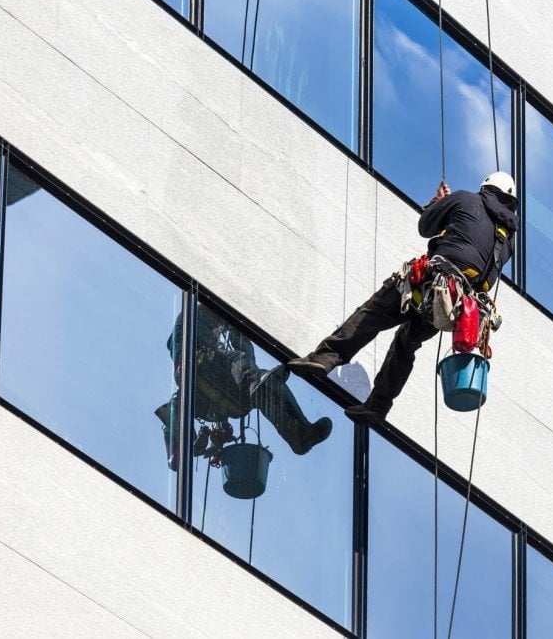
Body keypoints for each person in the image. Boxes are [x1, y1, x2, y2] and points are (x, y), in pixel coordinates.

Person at [288, 171, 519, 423]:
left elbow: (425, 227)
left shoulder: (465, 199)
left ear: (485, 188)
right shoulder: (507, 240)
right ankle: (377, 406)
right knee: (406, 344)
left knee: (374, 313)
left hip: (430, 282)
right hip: (452, 305)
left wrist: (439, 203)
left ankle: (325, 358)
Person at [156, 306, 333, 471]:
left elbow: (241, 344)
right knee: (243, 364)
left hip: (227, 399)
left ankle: (300, 434)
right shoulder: (195, 321)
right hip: (202, 373)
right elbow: (239, 345)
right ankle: (259, 384)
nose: (219, 334)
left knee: (264, 385)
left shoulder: (200, 335)